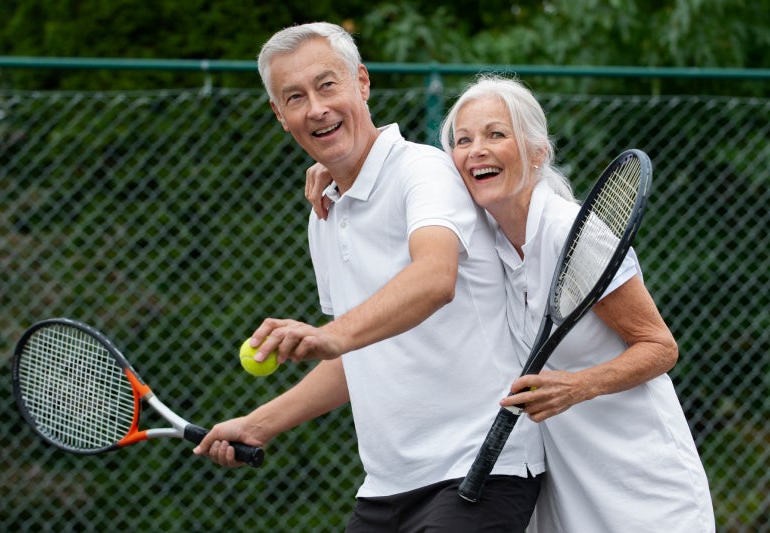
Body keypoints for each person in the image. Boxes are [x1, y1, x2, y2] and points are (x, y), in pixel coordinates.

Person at [308, 74, 716, 532]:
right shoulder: (482, 237)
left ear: (538, 153)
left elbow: (660, 347)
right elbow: (397, 163)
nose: (476, 149)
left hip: (644, 480)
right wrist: (341, 169)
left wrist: (578, 386)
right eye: (462, 140)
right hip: (564, 484)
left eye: (495, 134)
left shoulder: (570, 232)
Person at [194, 23, 545, 532]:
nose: (316, 107)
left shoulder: (423, 172)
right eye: (295, 97)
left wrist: (330, 335)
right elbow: (357, 357)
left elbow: (434, 278)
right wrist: (259, 423)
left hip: (480, 467)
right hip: (385, 487)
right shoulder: (324, 213)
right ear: (280, 115)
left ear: (361, 82)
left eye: (327, 84)